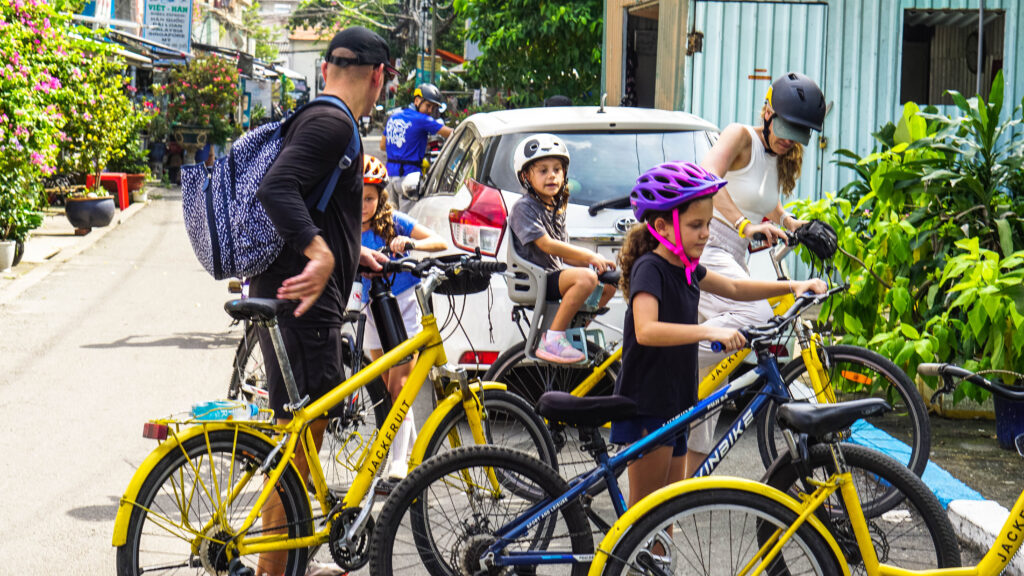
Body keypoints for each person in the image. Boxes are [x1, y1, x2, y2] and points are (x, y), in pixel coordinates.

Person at [251, 25, 396, 576]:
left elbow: (316, 201)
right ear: (379, 76)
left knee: (300, 435)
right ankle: (275, 566)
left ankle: (286, 558)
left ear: (327, 67)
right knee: (297, 441)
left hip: (297, 294)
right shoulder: (334, 123)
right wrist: (322, 255)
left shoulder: (326, 117)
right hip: (302, 300)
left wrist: (350, 252)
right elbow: (278, 188)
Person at [611, 161, 826, 513]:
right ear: (662, 226)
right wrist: (710, 330)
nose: (706, 233)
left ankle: (656, 562)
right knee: (643, 513)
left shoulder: (688, 267)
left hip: (677, 399)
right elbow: (646, 330)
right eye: (696, 225)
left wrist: (793, 285)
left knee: (669, 509)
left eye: (708, 224)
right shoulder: (650, 267)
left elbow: (734, 287)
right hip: (648, 401)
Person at [688, 71, 827, 464]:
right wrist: (744, 225)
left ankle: (674, 502)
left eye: (798, 133)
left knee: (711, 396)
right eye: (784, 127)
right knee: (757, 313)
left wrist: (795, 225)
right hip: (706, 244)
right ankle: (679, 363)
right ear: (767, 111)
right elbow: (707, 181)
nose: (788, 139)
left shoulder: (776, 157)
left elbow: (767, 203)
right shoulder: (739, 136)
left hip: (735, 254)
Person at [358, 154, 447, 480]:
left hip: (403, 304)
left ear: (380, 197)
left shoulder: (394, 221)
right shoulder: (345, 226)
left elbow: (438, 241)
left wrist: (408, 241)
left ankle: (397, 466)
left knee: (400, 387)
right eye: (357, 198)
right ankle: (408, 456)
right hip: (368, 310)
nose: (363, 205)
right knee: (388, 390)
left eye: (369, 198)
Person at [508, 134, 617, 364]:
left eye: (557, 170)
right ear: (526, 176)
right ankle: (554, 338)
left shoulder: (554, 208)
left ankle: (572, 331)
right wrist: (589, 256)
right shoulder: (524, 207)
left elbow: (562, 252)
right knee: (586, 279)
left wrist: (596, 263)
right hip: (537, 278)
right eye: (543, 170)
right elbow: (546, 244)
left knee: (608, 284)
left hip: (553, 276)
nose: (552, 176)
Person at [379, 82, 454, 181]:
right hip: (410, 177)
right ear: (417, 101)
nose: (430, 110)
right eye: (428, 105)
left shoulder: (393, 117)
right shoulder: (422, 119)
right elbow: (450, 133)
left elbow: (383, 146)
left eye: (433, 107)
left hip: (390, 176)